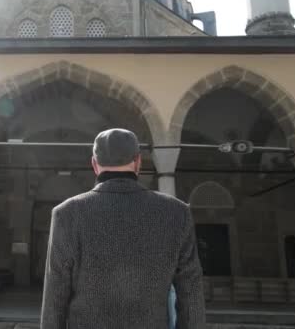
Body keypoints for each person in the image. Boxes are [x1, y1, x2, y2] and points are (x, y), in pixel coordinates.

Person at [40, 128, 205, 329]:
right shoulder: (177, 212)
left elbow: (55, 295)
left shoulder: (66, 213)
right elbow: (191, 293)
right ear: (138, 162)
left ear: (94, 164)